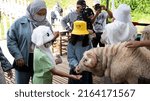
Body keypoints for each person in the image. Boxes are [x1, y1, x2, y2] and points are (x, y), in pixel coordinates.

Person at [7, 0, 55, 84]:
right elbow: (11, 40)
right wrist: (17, 55)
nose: (41, 16)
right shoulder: (19, 23)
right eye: (39, 13)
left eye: (44, 14)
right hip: (23, 59)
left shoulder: (46, 24)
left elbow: (48, 42)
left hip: (40, 58)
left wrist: (53, 38)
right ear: (32, 11)